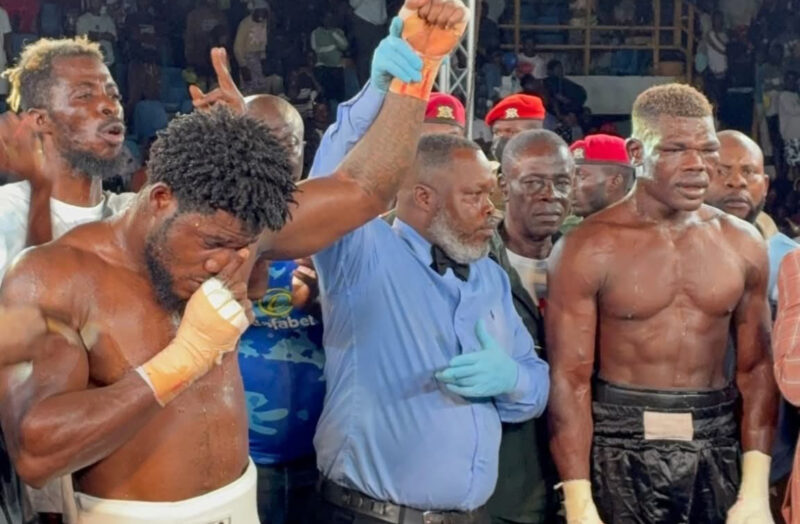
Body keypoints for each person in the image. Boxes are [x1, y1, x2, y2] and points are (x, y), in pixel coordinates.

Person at [0, 1, 469, 521]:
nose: (228, 266)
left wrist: (414, 77)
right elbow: (35, 452)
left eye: (244, 248)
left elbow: (360, 188)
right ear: (159, 201)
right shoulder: (55, 275)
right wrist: (184, 358)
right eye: (214, 244)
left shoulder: (237, 230)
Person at [548, 83, 777, 524]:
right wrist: (579, 504)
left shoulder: (743, 243)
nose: (697, 166)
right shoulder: (588, 247)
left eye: (707, 149)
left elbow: (756, 369)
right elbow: (569, 380)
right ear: (637, 152)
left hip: (717, 437)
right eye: (675, 149)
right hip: (618, 439)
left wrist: (754, 491)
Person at [310, 131, 549, 523]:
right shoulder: (363, 256)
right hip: (372, 516)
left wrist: (512, 379)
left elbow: (536, 388)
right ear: (424, 198)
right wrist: (375, 97)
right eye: (474, 196)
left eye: (490, 195)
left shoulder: (490, 276)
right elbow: (330, 188)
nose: (491, 210)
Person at [704, 130, 799, 518]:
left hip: (773, 464)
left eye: (749, 171)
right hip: (689, 458)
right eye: (722, 170)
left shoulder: (790, 263)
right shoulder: (662, 258)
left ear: (765, 184)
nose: (736, 182)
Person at [240, 94, 322, 524]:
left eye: (287, 142)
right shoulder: (213, 233)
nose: (276, 154)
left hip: (324, 457)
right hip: (241, 460)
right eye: (260, 140)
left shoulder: (330, 231)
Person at [569, 134, 634, 218]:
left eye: (581, 177)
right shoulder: (564, 228)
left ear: (615, 182)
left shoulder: (644, 229)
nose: (570, 186)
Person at [233, 0, 270, 95]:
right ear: (254, 11)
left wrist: (263, 58)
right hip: (247, 60)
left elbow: (263, 42)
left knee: (262, 91)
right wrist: (243, 65)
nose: (261, 15)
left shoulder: (265, 23)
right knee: (249, 92)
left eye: (264, 12)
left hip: (260, 60)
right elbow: (238, 46)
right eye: (259, 11)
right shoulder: (245, 23)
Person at [310, 12, 348, 104]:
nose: (329, 21)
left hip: (337, 66)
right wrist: (333, 47)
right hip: (322, 67)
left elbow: (345, 45)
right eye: (326, 18)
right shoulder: (316, 32)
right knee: (326, 96)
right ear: (322, 19)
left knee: (340, 97)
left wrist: (334, 34)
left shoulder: (338, 31)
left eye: (331, 18)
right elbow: (315, 49)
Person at [350, 0, 388, 83]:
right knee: (365, 57)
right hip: (364, 20)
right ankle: (364, 87)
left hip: (379, 23)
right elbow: (353, 3)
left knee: (379, 57)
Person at [75, 0, 118, 67]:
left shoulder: (108, 19)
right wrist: (104, 35)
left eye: (98, 1)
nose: (96, 3)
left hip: (108, 62)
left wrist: (95, 35)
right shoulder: (82, 20)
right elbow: (83, 39)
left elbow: (112, 37)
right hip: (89, 62)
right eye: (93, 1)